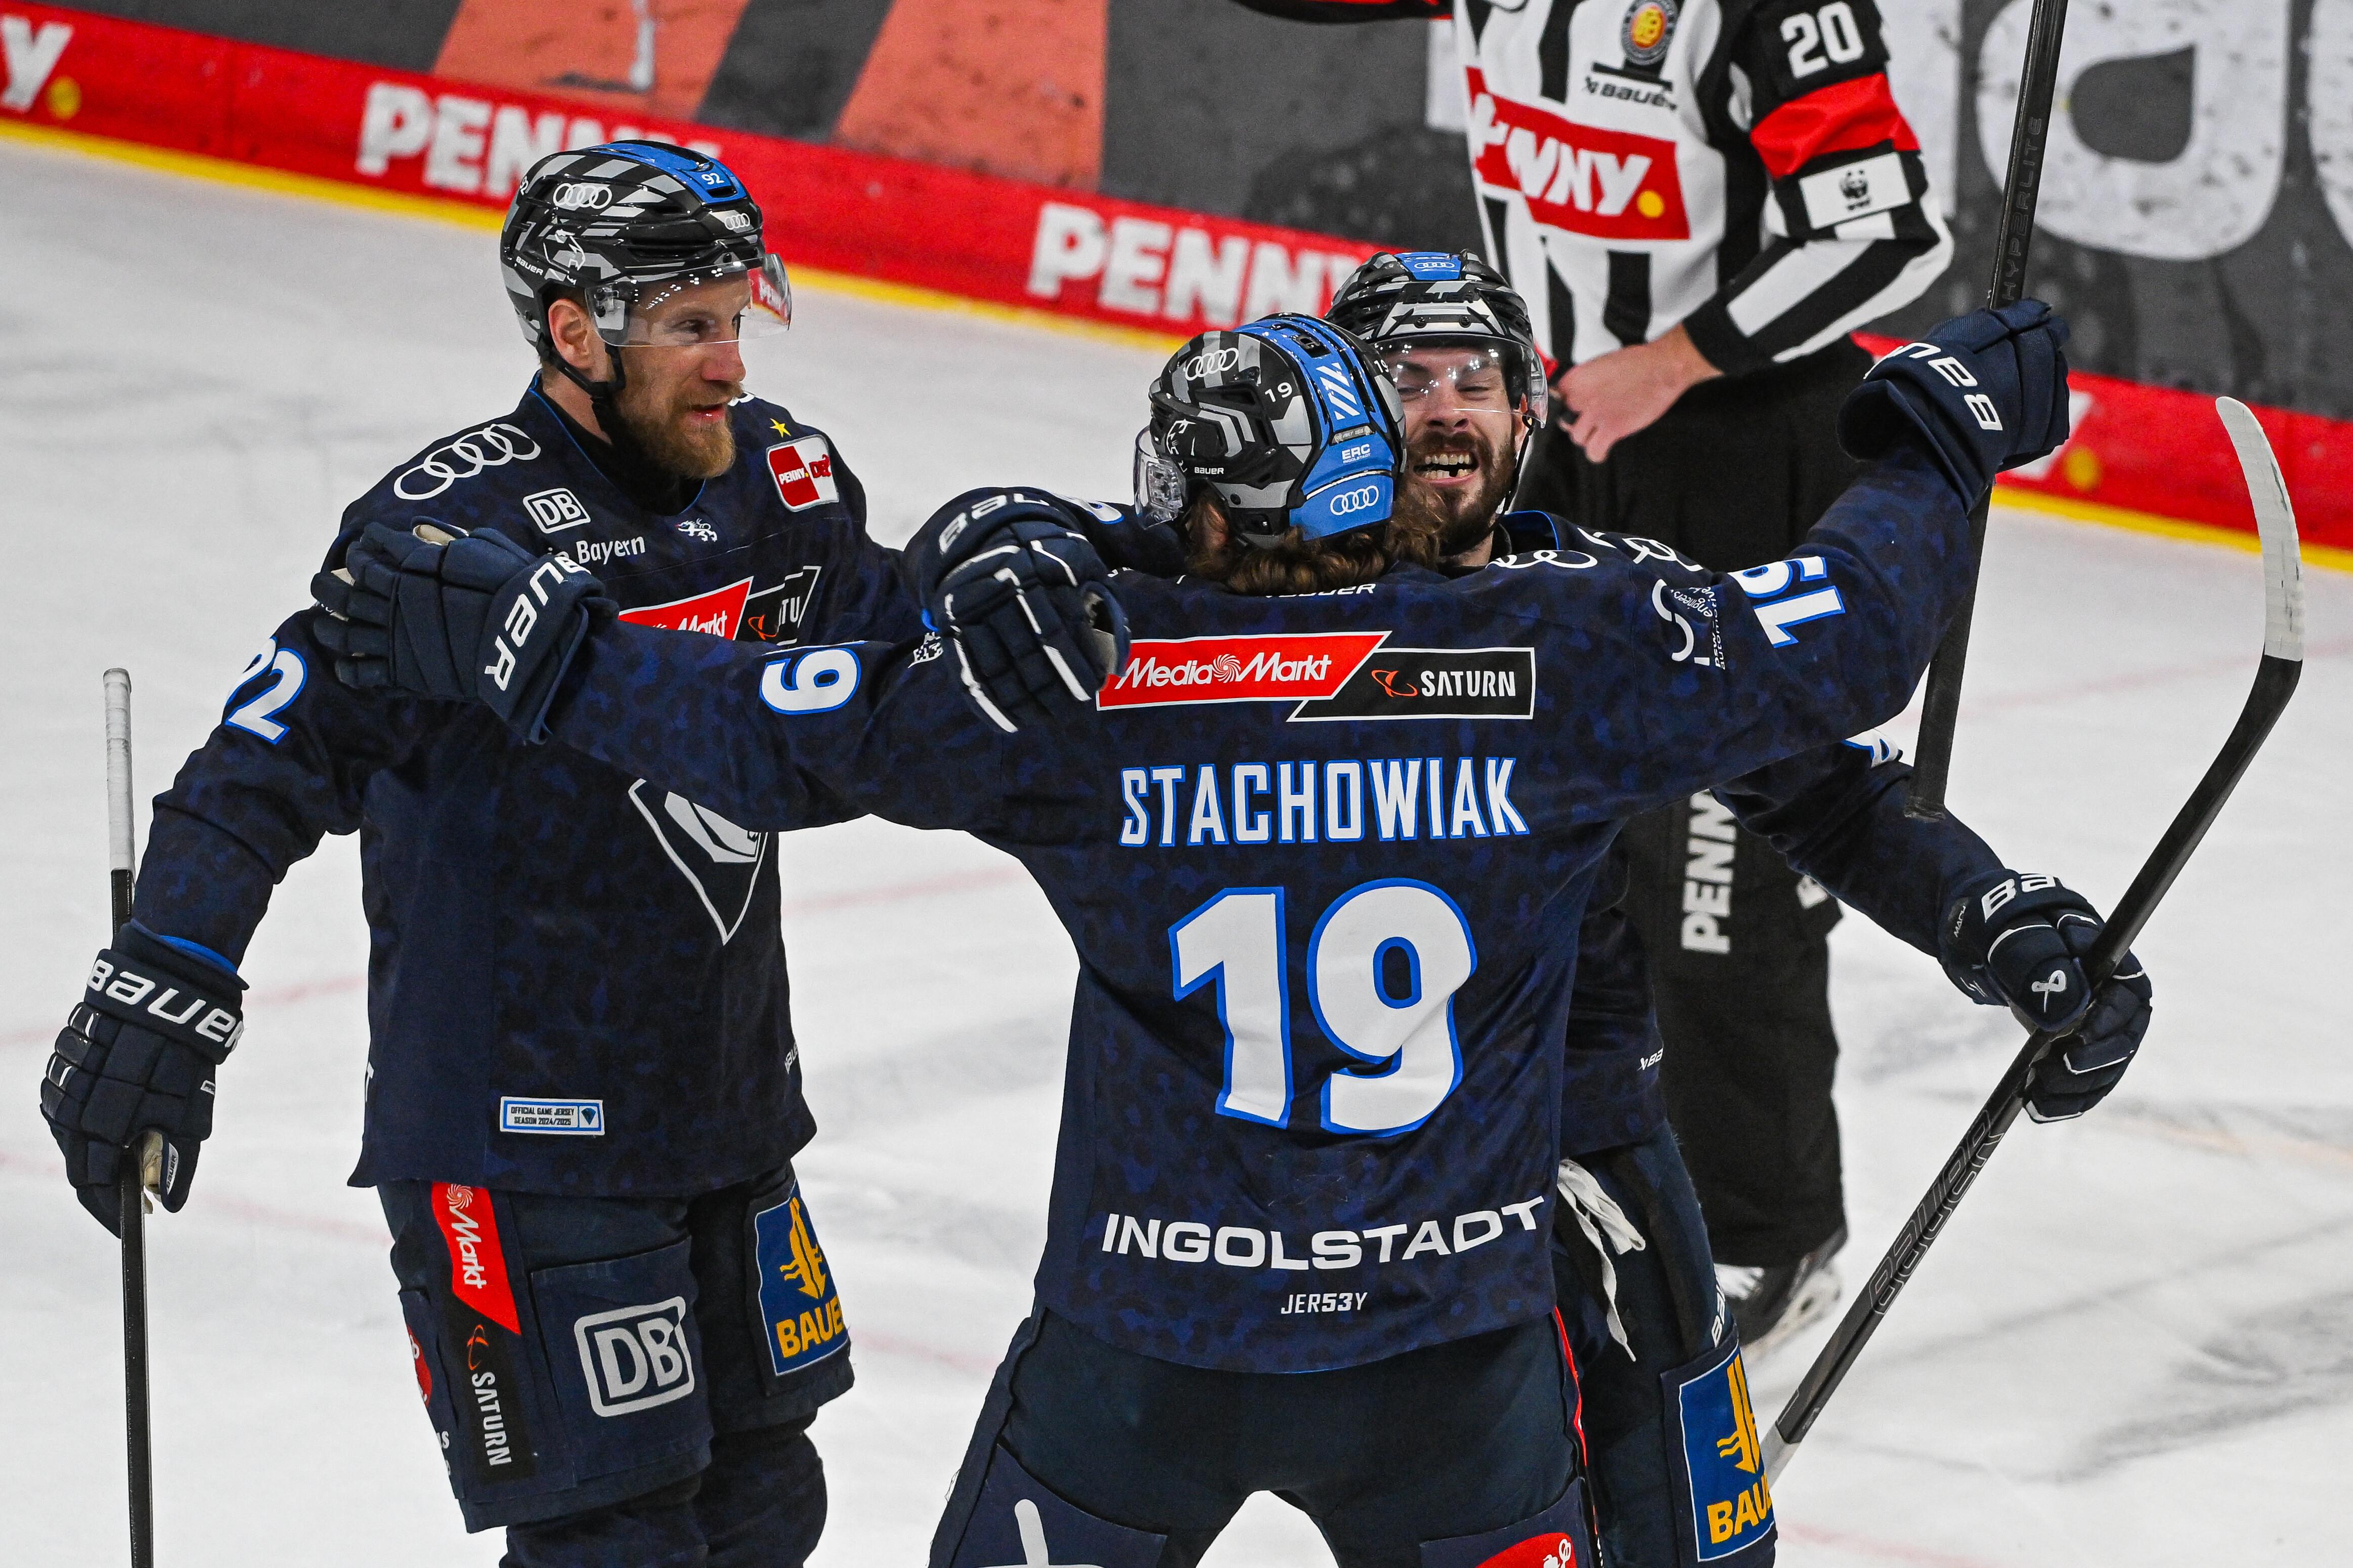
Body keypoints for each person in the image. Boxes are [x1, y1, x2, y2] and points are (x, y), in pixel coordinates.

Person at [311, 300, 2086, 1567]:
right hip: (1448, 1362)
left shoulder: (1086, 681)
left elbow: (771, 726)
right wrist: (1934, 434)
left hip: (1142, 1357)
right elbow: (1850, 634)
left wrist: (537, 648)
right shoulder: (1575, 653)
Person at [34, 140, 1072, 1568]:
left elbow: (896, 650)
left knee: (769, 1505)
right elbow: (259, 763)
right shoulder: (445, 534)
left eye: (738, 313)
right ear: (575, 333)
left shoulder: (786, 483)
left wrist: (1013, 559)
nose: (729, 360)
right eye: (689, 326)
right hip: (515, 1138)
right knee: (612, 1544)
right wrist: (168, 971)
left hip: (724, 1105)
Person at [1097, 251, 2150, 1566]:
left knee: (1695, 1552)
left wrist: (1988, 913)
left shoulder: (1591, 603)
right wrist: (1010, 534)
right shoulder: (1248, 602)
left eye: (1473, 376)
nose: (1441, 408)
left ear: (1529, 406)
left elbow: (1818, 795)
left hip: (1590, 1165)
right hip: (1311, 1201)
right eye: (1401, 377)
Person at [1231, 0, 1958, 1351]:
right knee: (1527, 821)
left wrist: (1674, 363)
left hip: (1743, 445)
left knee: (1717, 868)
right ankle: (1563, 1169)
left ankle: (1765, 1232)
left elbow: (1885, 230)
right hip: (1579, 428)